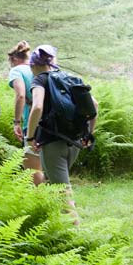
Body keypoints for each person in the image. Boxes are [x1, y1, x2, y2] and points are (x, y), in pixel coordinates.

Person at [24, 45, 96, 223]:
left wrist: (30, 137)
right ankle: (50, 227)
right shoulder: (70, 78)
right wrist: (88, 134)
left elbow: (37, 107)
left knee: (62, 192)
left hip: (52, 143)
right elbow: (94, 105)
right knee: (51, 184)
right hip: (74, 141)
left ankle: (76, 233)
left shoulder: (40, 80)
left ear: (33, 66)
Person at [8, 41, 43, 185]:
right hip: (51, 122)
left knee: (32, 170)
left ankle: (40, 196)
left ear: (15, 59)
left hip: (32, 122)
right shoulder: (40, 68)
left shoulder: (17, 71)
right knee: (48, 167)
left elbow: (21, 95)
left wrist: (17, 122)